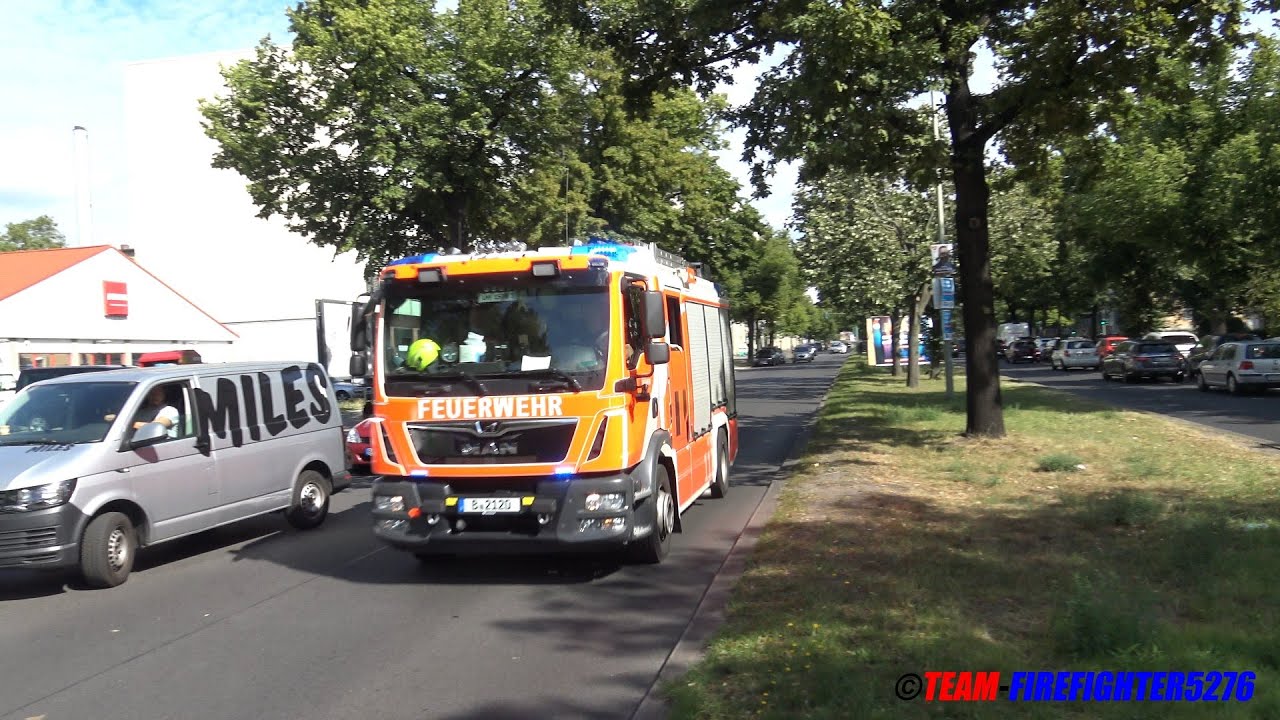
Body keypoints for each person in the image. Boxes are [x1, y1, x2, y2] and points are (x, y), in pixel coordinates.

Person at [106, 386, 180, 439]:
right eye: (151, 393)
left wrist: (123, 423)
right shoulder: (140, 412)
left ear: (164, 394)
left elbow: (153, 427)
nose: (154, 396)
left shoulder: (169, 410)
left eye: (158, 393)